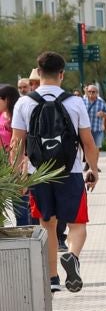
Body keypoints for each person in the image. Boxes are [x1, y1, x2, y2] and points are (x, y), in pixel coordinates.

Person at [9, 51, 99, 293]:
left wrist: (18, 176)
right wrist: (93, 168)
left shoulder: (24, 103)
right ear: (62, 74)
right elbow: (88, 142)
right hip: (70, 171)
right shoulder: (75, 102)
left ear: (38, 73)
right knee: (77, 223)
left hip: (40, 174)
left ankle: (52, 279)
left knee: (47, 223)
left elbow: (17, 143)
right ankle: (72, 256)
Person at [82, 84, 106, 151]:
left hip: (97, 130)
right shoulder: (82, 102)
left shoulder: (101, 102)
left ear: (97, 93)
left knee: (96, 149)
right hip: (86, 130)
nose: (91, 93)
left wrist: (103, 114)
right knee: (87, 148)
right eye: (89, 91)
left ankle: (94, 162)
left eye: (93, 92)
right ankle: (88, 161)